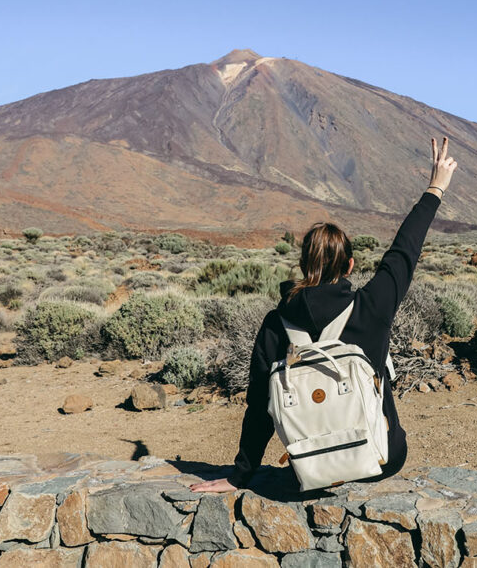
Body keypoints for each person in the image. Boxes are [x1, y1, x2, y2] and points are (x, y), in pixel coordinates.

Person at [191, 138, 458, 493]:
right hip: (379, 459)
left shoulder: (277, 322)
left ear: (302, 265)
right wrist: (435, 188)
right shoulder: (372, 305)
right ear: (350, 264)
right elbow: (403, 252)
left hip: (309, 466)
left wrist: (240, 475)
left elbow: (260, 407)